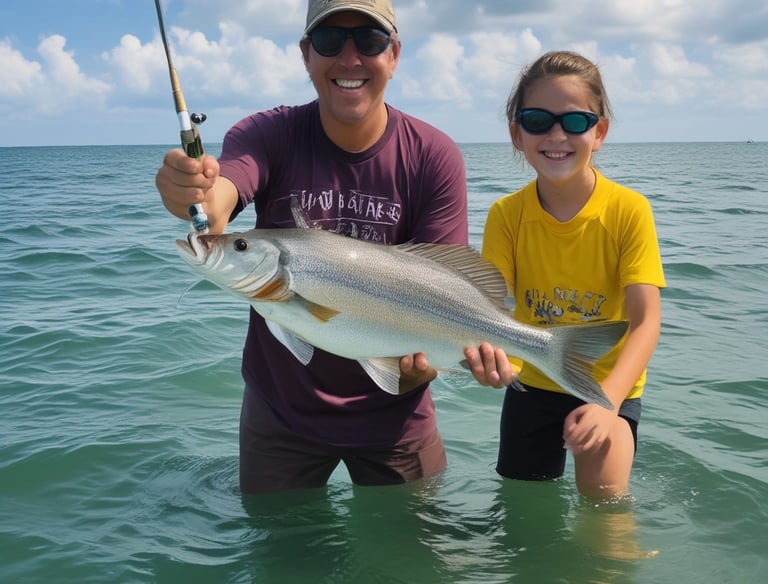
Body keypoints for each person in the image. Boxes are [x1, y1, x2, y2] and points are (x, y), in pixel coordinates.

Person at [155, 0, 508, 494]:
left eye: (368, 40)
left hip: (399, 415)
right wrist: (191, 193)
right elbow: (220, 202)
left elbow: (444, 280)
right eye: (328, 41)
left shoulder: (434, 155)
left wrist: (451, 356)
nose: (349, 58)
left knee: (414, 566)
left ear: (395, 54)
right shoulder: (267, 133)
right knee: (278, 563)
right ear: (305, 54)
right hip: (279, 416)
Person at [478, 50, 666, 500]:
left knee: (605, 521)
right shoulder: (506, 215)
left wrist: (607, 404)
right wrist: (489, 357)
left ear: (599, 132)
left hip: (609, 387)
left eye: (576, 121)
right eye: (537, 120)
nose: (556, 135)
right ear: (516, 134)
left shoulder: (628, 211)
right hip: (532, 384)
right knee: (520, 525)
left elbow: (646, 322)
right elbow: (485, 309)